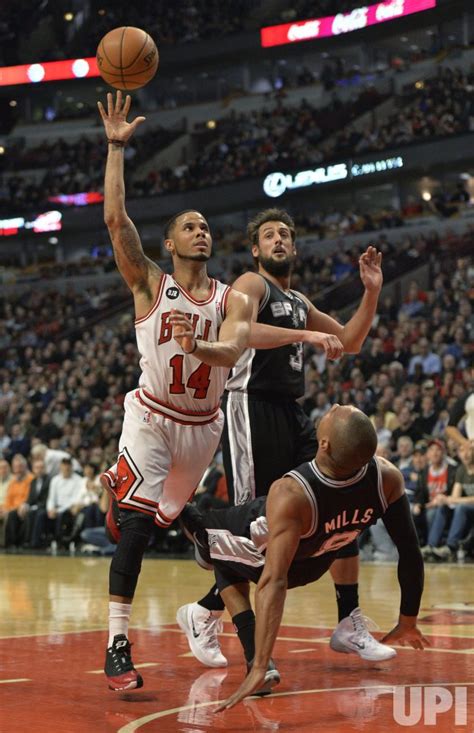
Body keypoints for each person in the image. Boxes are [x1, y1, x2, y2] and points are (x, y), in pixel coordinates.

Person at [177, 207, 387, 667]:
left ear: (293, 247)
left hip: (291, 413)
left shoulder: (299, 300)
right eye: (269, 235)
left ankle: (348, 620)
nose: (278, 241)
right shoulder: (252, 286)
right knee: (256, 530)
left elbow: (350, 342)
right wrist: (308, 335)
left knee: (338, 493)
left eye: (285, 235)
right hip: (249, 407)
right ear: (256, 249)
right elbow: (243, 331)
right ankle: (220, 622)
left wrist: (370, 293)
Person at [96, 91, 252, 691]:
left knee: (172, 519)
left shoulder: (230, 298)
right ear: (169, 244)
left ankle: (130, 495)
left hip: (203, 426)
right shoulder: (149, 285)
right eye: (189, 226)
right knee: (139, 527)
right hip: (153, 415)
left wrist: (198, 350)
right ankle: (117, 644)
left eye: (206, 225)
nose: (201, 230)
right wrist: (115, 148)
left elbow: (234, 350)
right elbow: (115, 220)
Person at [179, 405, 429, 709]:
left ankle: (203, 597)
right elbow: (410, 551)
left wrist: (259, 666)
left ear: (324, 444)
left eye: (338, 412)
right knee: (236, 556)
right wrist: (408, 619)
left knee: (201, 529)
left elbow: (273, 581)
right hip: (315, 562)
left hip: (263, 540)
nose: (335, 406)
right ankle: (208, 607)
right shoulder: (386, 478)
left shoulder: (292, 492)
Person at [422, 442, 474, 561]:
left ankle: (451, 546)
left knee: (460, 507)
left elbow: (458, 500)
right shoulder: (461, 470)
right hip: (466, 507)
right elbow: (455, 496)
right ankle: (431, 545)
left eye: (468, 451)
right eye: (461, 451)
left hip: (468, 507)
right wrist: (445, 500)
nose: (465, 455)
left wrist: (449, 499)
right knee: (443, 506)